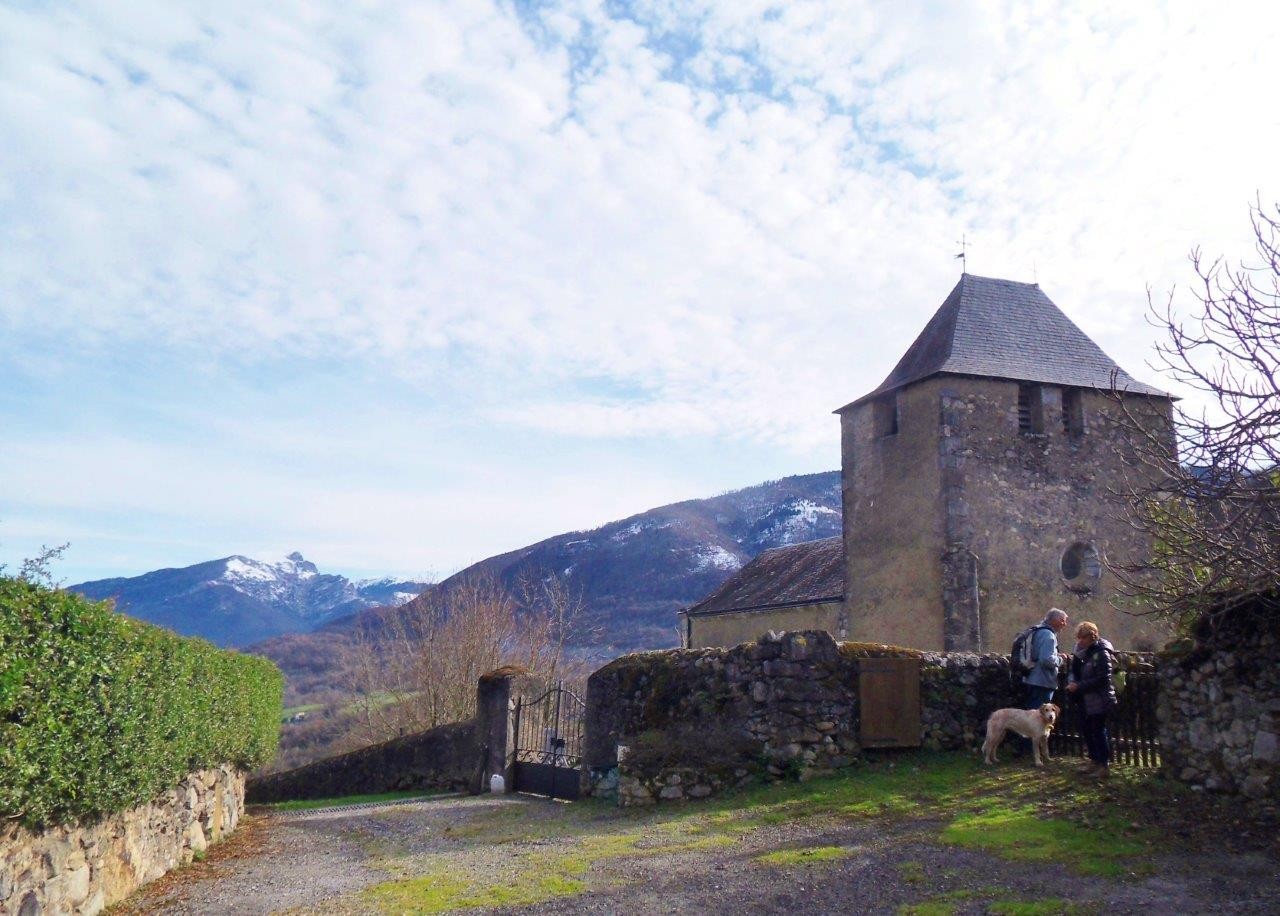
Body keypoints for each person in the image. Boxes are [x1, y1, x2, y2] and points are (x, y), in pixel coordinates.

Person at [1012, 608, 1070, 756]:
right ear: (1056, 620)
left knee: (1028, 718)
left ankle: (1024, 750)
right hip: (1042, 682)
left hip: (1031, 678)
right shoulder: (1049, 636)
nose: (1065, 624)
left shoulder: (1037, 631)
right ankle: (1030, 752)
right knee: (1037, 721)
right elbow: (1046, 660)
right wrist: (1061, 659)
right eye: (1064, 620)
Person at [1067, 621, 1117, 778]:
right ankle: (1094, 761)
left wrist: (1079, 686)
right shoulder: (1084, 653)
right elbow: (1078, 671)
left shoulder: (1102, 653)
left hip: (1100, 699)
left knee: (1098, 731)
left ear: (1092, 636)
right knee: (1088, 730)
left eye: (1082, 638)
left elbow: (1103, 679)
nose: (1079, 641)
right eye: (1078, 638)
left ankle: (1103, 765)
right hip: (1086, 699)